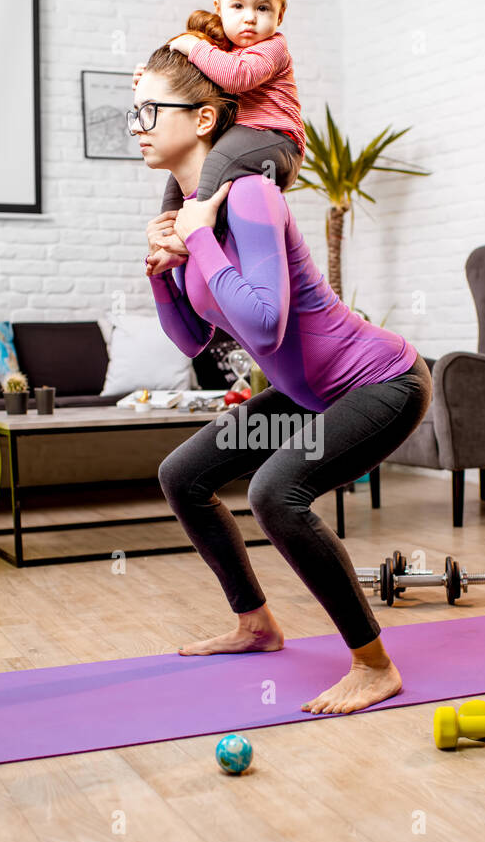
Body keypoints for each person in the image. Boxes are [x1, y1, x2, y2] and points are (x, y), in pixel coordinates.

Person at [134, 46, 433, 716]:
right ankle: (256, 625)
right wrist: (163, 272)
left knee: (277, 494)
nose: (139, 126)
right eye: (136, 113)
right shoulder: (193, 209)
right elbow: (194, 339)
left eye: (152, 110)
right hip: (308, 394)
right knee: (183, 476)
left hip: (381, 382)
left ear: (205, 117)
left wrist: (200, 241)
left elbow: (265, 326)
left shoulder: (250, 195)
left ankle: (373, 664)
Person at [131, 0, 305, 242]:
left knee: (218, 158)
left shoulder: (273, 47)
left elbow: (237, 76)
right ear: (219, 6)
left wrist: (195, 47)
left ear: (281, 14)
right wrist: (150, 77)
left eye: (262, 8)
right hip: (248, 137)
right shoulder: (228, 51)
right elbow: (196, 76)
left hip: (276, 141)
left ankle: (198, 229)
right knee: (180, 178)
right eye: (238, 6)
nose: (249, 18)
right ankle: (169, 232)